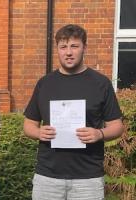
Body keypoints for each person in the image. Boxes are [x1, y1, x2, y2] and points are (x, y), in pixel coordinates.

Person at [23, 24, 124, 200]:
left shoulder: (101, 83)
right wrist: (39, 132)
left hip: (88, 179)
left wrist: (99, 133)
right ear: (58, 50)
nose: (68, 52)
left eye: (74, 46)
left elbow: (117, 126)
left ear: (84, 47)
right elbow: (28, 124)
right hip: (48, 177)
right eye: (63, 47)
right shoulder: (45, 84)